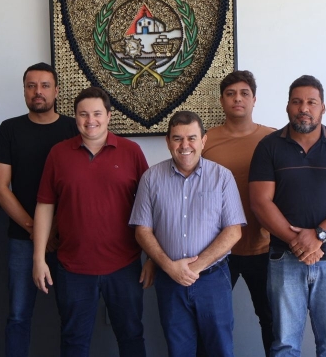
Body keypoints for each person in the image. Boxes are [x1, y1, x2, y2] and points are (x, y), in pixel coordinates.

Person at [249, 75, 326, 356]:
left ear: (323, 107)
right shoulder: (269, 146)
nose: (304, 108)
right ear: (287, 106)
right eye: (297, 102)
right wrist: (297, 241)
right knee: (284, 345)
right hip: (285, 260)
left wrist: (318, 236)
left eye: (312, 102)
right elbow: (260, 202)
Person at [32, 86, 150, 357]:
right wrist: (38, 259)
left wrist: (153, 258)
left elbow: (150, 208)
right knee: (73, 341)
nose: (90, 120)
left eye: (97, 113)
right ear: (75, 117)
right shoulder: (58, 154)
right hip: (73, 267)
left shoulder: (131, 151)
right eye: (83, 114)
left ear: (109, 116)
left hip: (124, 265)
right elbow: (45, 205)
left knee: (132, 336)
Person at [130, 110, 246, 357]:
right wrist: (169, 267)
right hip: (169, 281)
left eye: (192, 138)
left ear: (203, 140)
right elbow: (142, 231)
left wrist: (195, 267)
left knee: (220, 350)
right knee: (179, 350)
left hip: (213, 280)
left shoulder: (222, 177)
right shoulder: (151, 178)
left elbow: (233, 231)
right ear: (168, 141)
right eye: (177, 138)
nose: (185, 145)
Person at [0, 62, 78, 357]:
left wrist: (53, 232)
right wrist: (36, 229)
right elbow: (0, 187)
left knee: (72, 315)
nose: (37, 92)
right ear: (24, 91)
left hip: (67, 239)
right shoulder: (10, 129)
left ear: (56, 91)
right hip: (22, 238)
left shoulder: (73, 128)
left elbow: (81, 185)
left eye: (44, 86)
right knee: (18, 315)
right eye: (31, 86)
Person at [201, 70, 275, 356]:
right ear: (222, 100)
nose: (237, 99)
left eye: (244, 93)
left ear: (254, 99)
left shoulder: (273, 138)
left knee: (272, 320)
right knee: (212, 323)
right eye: (230, 94)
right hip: (218, 250)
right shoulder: (206, 140)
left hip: (265, 247)